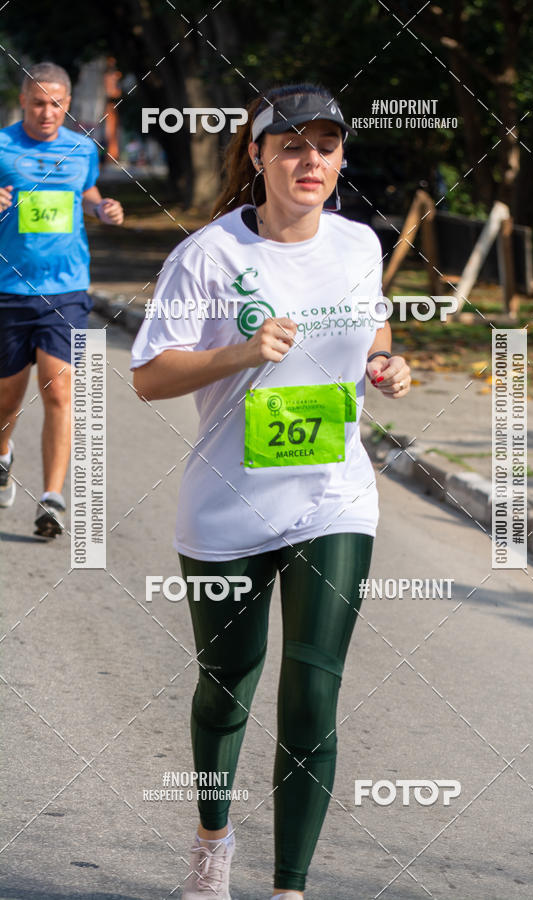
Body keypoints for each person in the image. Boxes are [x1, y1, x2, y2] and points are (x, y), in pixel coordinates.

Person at [130, 83, 411, 899]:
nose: (309, 160)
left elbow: (374, 322)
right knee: (226, 688)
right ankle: (211, 845)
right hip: (228, 504)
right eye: (291, 145)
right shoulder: (209, 256)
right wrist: (242, 353)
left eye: (325, 145)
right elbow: (149, 376)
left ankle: (290, 888)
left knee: (314, 684)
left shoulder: (358, 243)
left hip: (334, 494)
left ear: (340, 159)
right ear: (257, 157)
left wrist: (383, 362)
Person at [0, 61, 124, 536]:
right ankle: (3, 453)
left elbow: (87, 191)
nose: (46, 112)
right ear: (22, 102)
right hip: (9, 288)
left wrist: (101, 208)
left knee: (59, 387)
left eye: (55, 104)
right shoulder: (3, 145)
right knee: (7, 399)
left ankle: (52, 497)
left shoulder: (81, 149)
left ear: (67, 104)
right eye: (37, 103)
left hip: (66, 288)